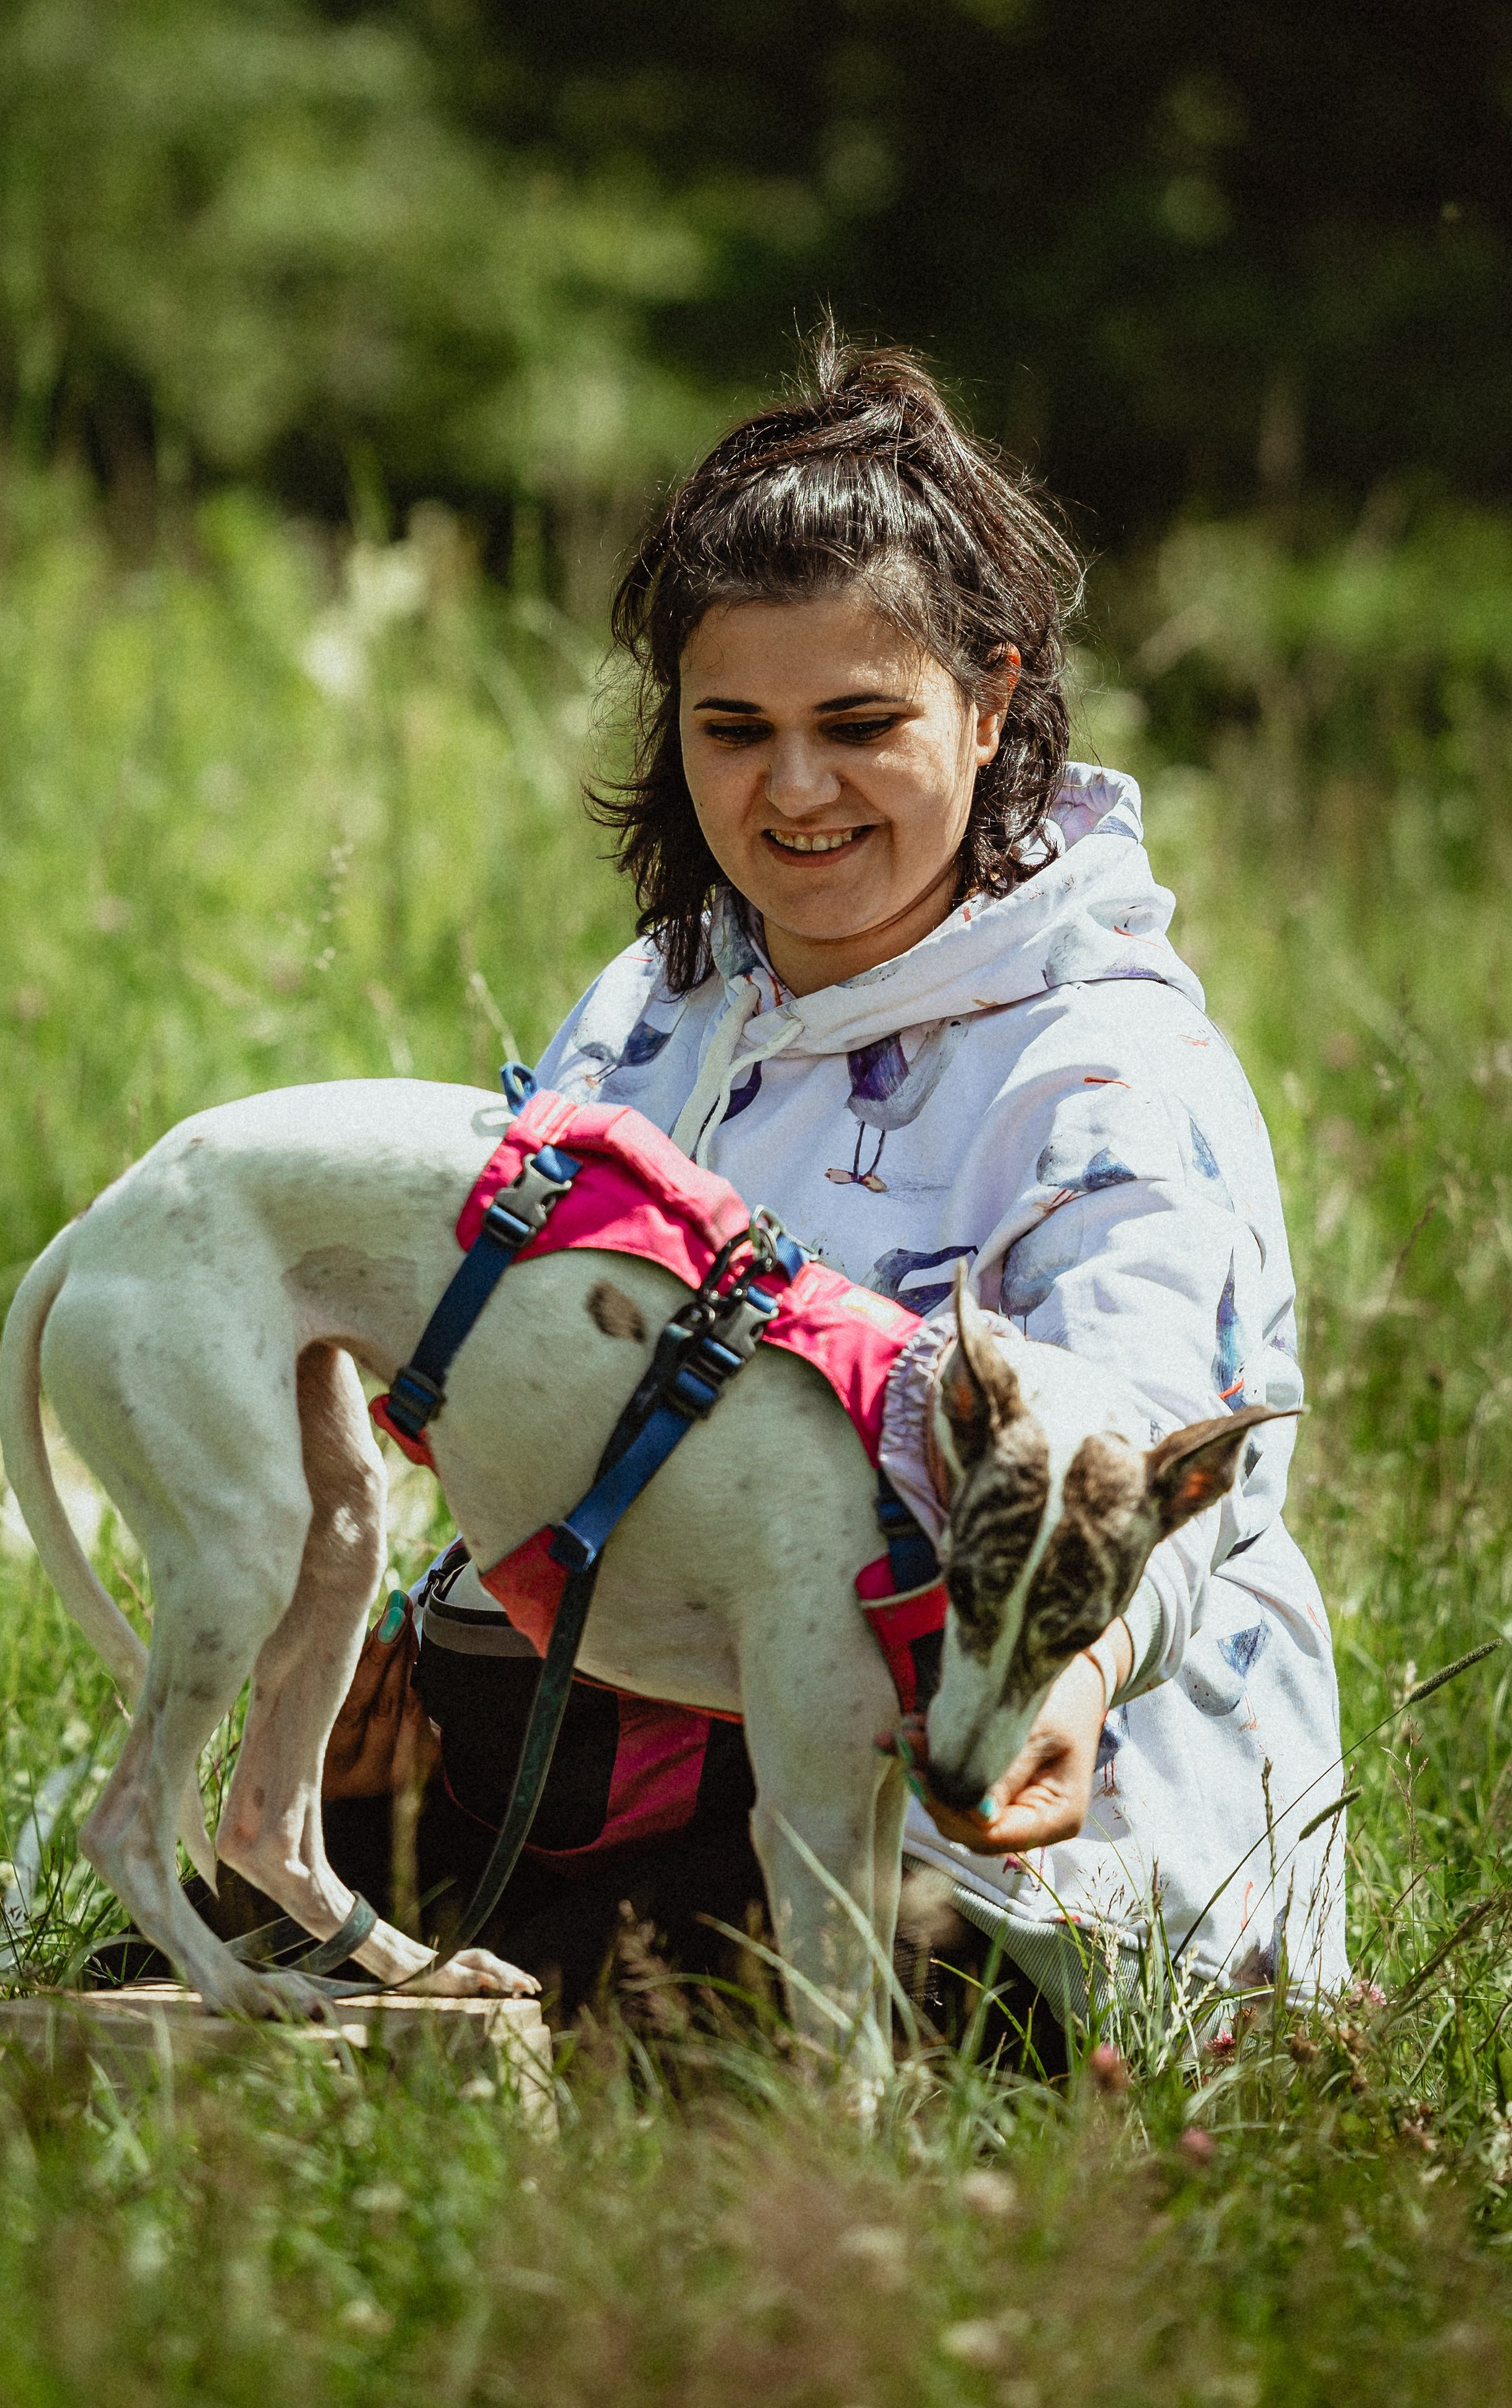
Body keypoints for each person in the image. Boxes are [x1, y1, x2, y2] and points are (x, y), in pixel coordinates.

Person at [407, 333, 1345, 2037]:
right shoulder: (650, 1009)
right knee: (270, 1908)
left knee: (621, 1996)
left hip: (1020, 1829)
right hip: (655, 1731)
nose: (791, 790)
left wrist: (1074, 1666)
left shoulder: (1103, 1073)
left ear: (987, 706)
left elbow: (1147, 1454)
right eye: (734, 729)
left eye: (857, 725)